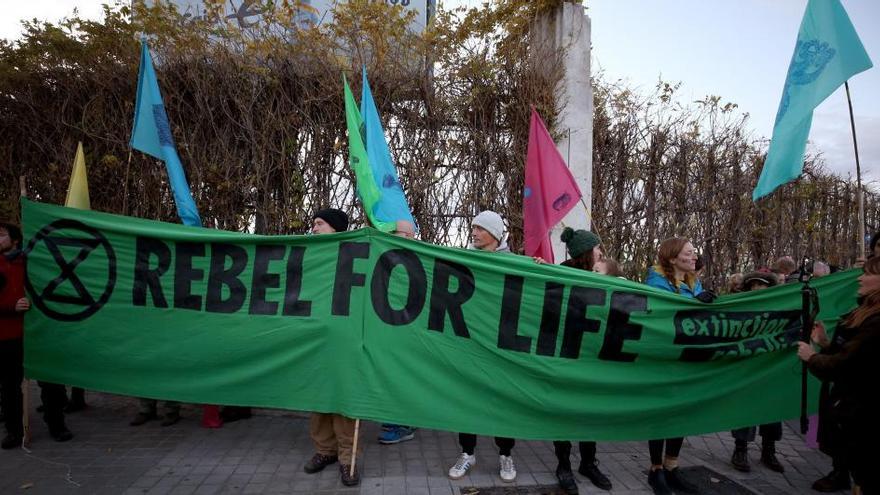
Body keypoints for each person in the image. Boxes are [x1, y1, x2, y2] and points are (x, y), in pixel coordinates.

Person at [798, 256, 880, 495]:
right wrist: (825, 343)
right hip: (848, 406)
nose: (860, 277)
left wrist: (811, 357)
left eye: (868, 273)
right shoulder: (863, 310)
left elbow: (847, 364)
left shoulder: (876, 323)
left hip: (864, 412)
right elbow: (850, 354)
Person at [448, 211, 516, 483]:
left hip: (501, 346)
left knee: (502, 401)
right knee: (468, 399)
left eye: (480, 228)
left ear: (495, 234)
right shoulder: (464, 259)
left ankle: (506, 455)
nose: (473, 232)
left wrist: (538, 265)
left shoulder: (514, 263)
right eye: (472, 227)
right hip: (470, 343)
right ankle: (467, 453)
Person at [547, 227, 614, 494]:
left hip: (592, 357)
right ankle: (563, 465)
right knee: (563, 412)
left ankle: (588, 463)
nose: (601, 252)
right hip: (566, 356)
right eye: (597, 248)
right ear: (586, 253)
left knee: (589, 411)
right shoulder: (559, 276)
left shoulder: (606, 275)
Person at [1, 221, 73, 449]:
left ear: (15, 240)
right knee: (10, 386)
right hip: (7, 336)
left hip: (39, 332)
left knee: (50, 381)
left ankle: (56, 424)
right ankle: (14, 430)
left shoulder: (35, 262)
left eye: (1, 235)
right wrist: (11, 306)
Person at [303, 208, 361, 487]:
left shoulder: (354, 255)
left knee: (344, 399)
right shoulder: (310, 256)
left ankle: (347, 458)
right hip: (315, 340)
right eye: (313, 223)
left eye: (320, 223)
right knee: (320, 397)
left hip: (345, 340)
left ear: (336, 228)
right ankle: (324, 450)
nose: (314, 228)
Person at [643, 237, 702, 495]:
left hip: (686, 361)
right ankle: (655, 471)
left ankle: (672, 467)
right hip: (662, 361)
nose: (695, 257)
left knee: (680, 413)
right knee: (661, 414)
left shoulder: (694, 283)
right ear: (672, 258)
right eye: (689, 253)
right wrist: (697, 305)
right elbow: (667, 313)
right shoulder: (656, 283)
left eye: (694, 252)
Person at [729, 272, 784, 474]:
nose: (756, 289)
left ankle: (769, 451)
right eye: (752, 286)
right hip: (749, 366)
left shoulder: (780, 308)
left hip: (771, 365)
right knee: (746, 409)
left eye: (760, 286)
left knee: (772, 409)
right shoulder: (742, 307)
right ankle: (740, 449)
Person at [377, 219, 417, 445]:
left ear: (409, 237)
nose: (391, 235)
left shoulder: (420, 259)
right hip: (387, 328)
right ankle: (396, 421)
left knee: (400, 376)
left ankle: (400, 423)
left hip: (408, 331)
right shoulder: (385, 257)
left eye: (396, 233)